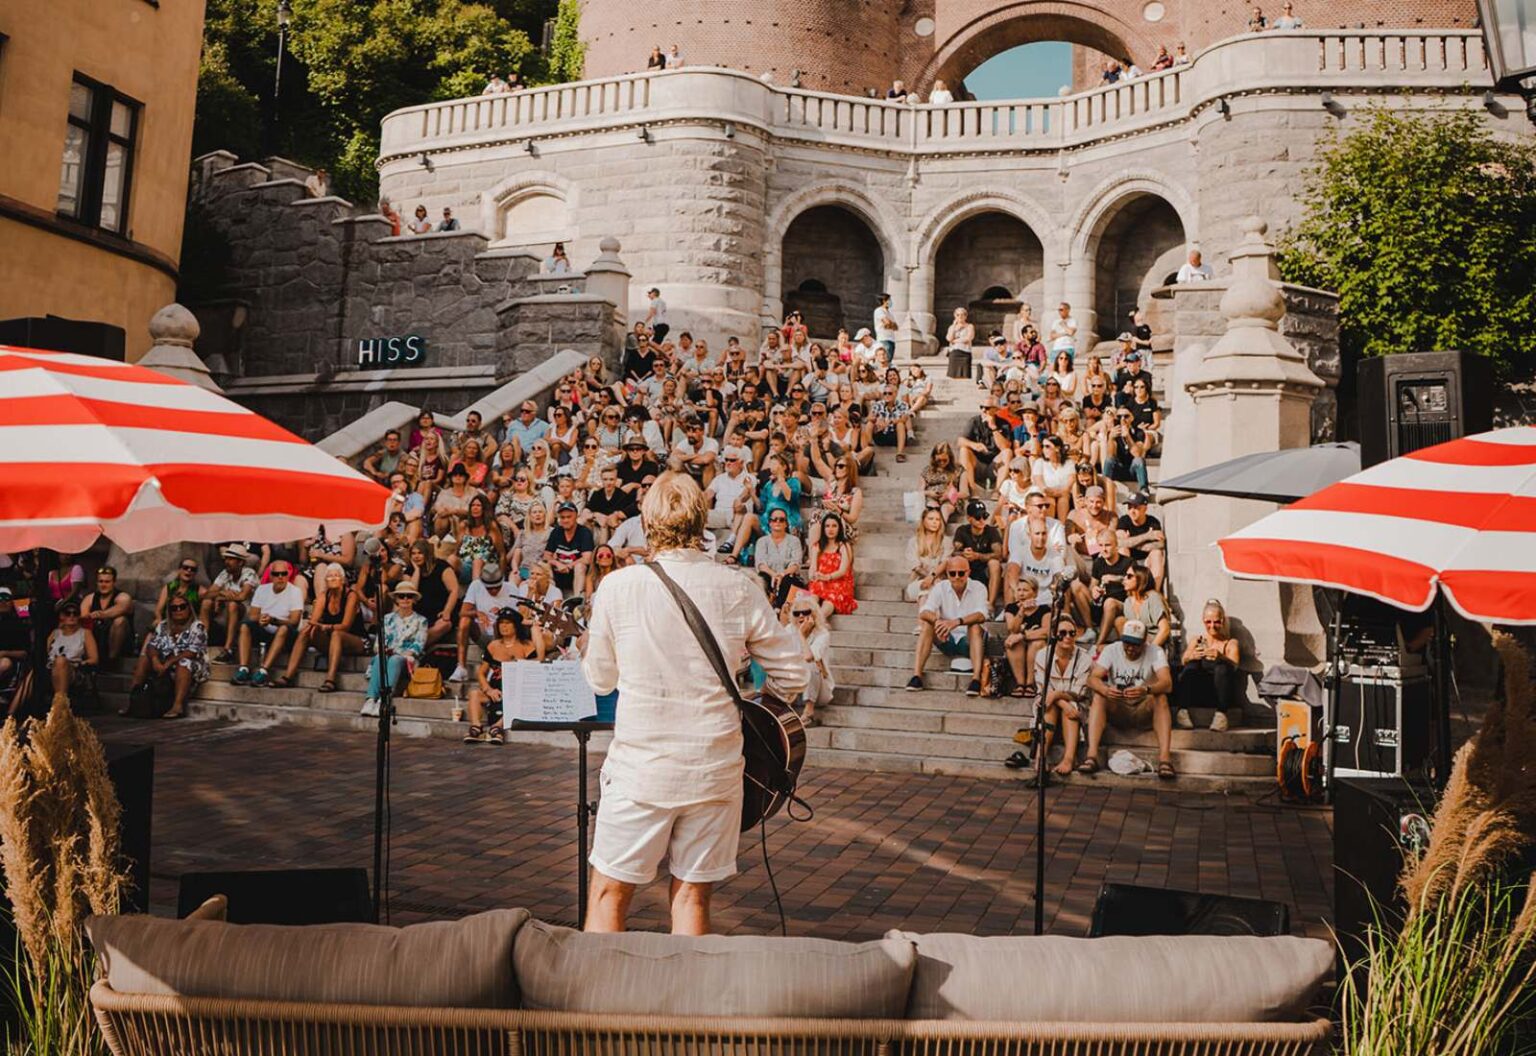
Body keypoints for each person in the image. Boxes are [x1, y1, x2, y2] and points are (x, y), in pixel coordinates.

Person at [579, 472, 808, 935]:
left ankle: (594, 1003)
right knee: (691, 896)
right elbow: (794, 674)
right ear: (701, 520)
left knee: (608, 894)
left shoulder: (618, 588)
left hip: (642, 768)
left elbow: (600, 681)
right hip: (716, 766)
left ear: (647, 522)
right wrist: (750, 695)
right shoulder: (738, 585)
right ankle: (688, 1005)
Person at [1082, 618, 1175, 779]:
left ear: (1145, 642)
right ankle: (1092, 756)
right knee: (1099, 696)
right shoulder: (1112, 649)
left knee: (1161, 698)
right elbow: (1092, 679)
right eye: (1127, 643)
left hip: (1143, 709)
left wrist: (1146, 690)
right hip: (1119, 708)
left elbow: (1167, 684)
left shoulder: (1155, 651)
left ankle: (1165, 760)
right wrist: (1106, 689)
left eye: (1136, 644)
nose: (1130, 648)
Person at [1021, 611, 1094, 776]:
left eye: (1072, 633)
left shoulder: (1084, 658)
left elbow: (1079, 693)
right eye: (1062, 633)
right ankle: (1041, 757)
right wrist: (1058, 699)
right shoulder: (1042, 655)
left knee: (1071, 705)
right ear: (1054, 635)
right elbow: (1042, 689)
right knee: (1049, 705)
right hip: (1049, 703)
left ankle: (1069, 758)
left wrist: (1057, 696)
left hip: (1077, 705)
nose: (1068, 636)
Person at [464, 607, 546, 745]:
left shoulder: (526, 646)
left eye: (508, 623)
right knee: (474, 694)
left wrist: (535, 629)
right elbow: (481, 672)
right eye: (501, 623)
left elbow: (540, 660)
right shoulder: (493, 645)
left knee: (519, 698)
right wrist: (488, 689)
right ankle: (476, 727)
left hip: (515, 692)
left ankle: (497, 728)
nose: (504, 626)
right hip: (495, 691)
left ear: (516, 626)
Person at [911, 556, 988, 696]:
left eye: (961, 573)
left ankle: (976, 679)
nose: (957, 577)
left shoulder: (978, 587)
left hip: (970, 639)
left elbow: (982, 615)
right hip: (947, 638)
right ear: (947, 574)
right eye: (952, 573)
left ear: (968, 572)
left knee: (975, 625)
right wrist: (938, 622)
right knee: (928, 625)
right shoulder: (941, 587)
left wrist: (956, 622)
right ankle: (917, 676)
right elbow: (924, 611)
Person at [274, 562, 358, 689]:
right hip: (331, 638)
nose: (333, 579)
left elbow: (346, 625)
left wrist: (327, 627)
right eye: (330, 577)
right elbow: (314, 620)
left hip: (354, 638)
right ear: (325, 581)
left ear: (343, 579)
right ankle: (288, 676)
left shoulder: (351, 595)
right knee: (306, 631)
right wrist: (313, 628)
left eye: (336, 576)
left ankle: (330, 679)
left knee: (337, 634)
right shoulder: (323, 596)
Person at [126, 595, 208, 720]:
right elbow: (151, 646)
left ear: (189, 608)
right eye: (174, 608)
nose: (178, 610)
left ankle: (178, 705)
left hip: (191, 666)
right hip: (165, 664)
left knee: (184, 662)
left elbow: (192, 652)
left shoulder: (197, 626)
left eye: (182, 607)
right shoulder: (163, 625)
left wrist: (169, 662)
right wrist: (154, 660)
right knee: (144, 659)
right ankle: (133, 702)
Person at [361, 582, 428, 717]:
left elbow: (418, 645)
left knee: (395, 659)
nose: (405, 599)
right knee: (382, 658)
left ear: (414, 600)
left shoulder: (421, 620)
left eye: (409, 596)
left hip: (407, 659)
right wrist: (385, 650)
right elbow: (378, 644)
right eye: (401, 596)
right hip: (387, 656)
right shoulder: (387, 619)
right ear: (396, 599)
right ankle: (370, 699)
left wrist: (398, 653)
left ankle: (384, 699)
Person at [233, 560, 302, 686]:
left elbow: (294, 621)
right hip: (264, 628)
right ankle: (243, 668)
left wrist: (274, 620)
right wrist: (260, 619)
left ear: (288, 575)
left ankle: (264, 671)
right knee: (244, 626)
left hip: (285, 634)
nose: (280, 577)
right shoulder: (262, 589)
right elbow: (253, 615)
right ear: (271, 576)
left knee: (283, 629)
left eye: (284, 574)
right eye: (276, 574)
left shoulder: (295, 591)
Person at [1177, 599, 1242, 731]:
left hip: (1221, 692)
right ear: (1203, 621)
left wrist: (1221, 657)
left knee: (1222, 668)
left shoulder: (1230, 643)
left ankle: (1221, 715)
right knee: (1192, 665)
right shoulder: (1197, 640)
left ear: (1222, 621)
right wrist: (1192, 656)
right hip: (1199, 690)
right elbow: (1183, 660)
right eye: (1208, 622)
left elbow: (1234, 665)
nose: (1212, 626)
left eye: (1217, 622)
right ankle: (1182, 711)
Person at [453, 562, 520, 682]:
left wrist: (502, 613)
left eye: (497, 587)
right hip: (481, 631)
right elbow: (462, 612)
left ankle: (493, 666)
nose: (493, 590)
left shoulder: (512, 589)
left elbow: (518, 619)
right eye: (489, 588)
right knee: (464, 621)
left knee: (499, 623)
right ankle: (461, 667)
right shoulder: (475, 586)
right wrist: (476, 613)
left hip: (502, 635)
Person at [786, 598, 832, 725]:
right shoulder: (789, 630)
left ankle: (809, 712)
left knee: (810, 663)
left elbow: (808, 657)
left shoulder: (822, 634)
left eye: (805, 612)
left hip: (818, 692)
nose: (801, 616)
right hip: (794, 689)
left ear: (813, 614)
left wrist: (802, 635)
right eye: (796, 613)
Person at [952, 498, 1004, 610]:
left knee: (994, 563)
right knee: (955, 562)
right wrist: (963, 554)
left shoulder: (992, 531)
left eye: (984, 516)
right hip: (967, 570)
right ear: (969, 519)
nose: (982, 520)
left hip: (985, 572)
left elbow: (999, 554)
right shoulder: (962, 530)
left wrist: (978, 556)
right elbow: (955, 552)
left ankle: (990, 605)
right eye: (977, 517)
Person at [807, 513, 856, 618]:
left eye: (834, 526)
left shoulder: (843, 545)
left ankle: (816, 620)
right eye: (827, 526)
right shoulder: (818, 546)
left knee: (830, 600)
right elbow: (813, 567)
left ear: (839, 528)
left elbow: (843, 570)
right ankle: (808, 618)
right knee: (814, 593)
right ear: (823, 528)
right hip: (821, 580)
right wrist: (813, 575)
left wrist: (828, 577)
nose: (830, 529)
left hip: (839, 582)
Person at [80, 564, 133, 660]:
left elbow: (122, 607)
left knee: (120, 620)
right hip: (96, 637)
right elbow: (83, 618)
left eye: (107, 582)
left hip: (120, 640)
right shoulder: (90, 598)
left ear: (114, 582)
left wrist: (101, 615)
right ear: (96, 583)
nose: (103, 585)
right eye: (101, 581)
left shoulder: (123, 597)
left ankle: (111, 659)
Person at [1117, 492, 1167, 591]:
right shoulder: (1124, 520)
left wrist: (1131, 542)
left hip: (1147, 560)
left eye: (1136, 507)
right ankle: (1128, 591)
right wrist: (1147, 536)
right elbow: (1120, 543)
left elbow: (1160, 544)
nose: (1132, 511)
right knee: (1123, 550)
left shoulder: (1153, 522)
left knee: (1157, 553)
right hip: (1130, 559)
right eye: (1130, 507)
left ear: (1145, 508)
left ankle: (1154, 593)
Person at [548, 502, 596, 598]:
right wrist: (558, 564)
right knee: (544, 565)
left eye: (569, 517)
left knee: (580, 566)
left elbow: (587, 558)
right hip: (559, 571)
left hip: (575, 573)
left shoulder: (584, 532)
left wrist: (569, 566)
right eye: (563, 517)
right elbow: (546, 555)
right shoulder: (556, 531)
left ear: (576, 517)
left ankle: (576, 600)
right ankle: (551, 599)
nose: (565, 520)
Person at [905, 507, 948, 606]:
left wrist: (932, 577)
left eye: (937, 519)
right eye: (931, 519)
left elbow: (944, 563)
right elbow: (916, 567)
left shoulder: (945, 541)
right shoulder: (914, 542)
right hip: (919, 582)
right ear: (923, 521)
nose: (935, 522)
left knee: (931, 592)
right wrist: (930, 578)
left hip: (940, 581)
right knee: (925, 592)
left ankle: (924, 620)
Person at [154, 557, 201, 624]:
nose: (189, 570)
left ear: (195, 573)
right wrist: (159, 619)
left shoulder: (200, 590)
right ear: (179, 570)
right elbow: (158, 610)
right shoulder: (168, 587)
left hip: (188, 625)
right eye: (185, 567)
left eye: (193, 569)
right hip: (168, 623)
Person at [873, 292, 899, 360]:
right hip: (883, 339)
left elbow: (896, 327)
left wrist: (889, 325)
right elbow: (887, 322)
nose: (890, 301)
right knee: (884, 360)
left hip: (891, 339)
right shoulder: (879, 310)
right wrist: (889, 324)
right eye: (889, 300)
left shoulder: (890, 313)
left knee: (889, 361)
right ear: (884, 301)